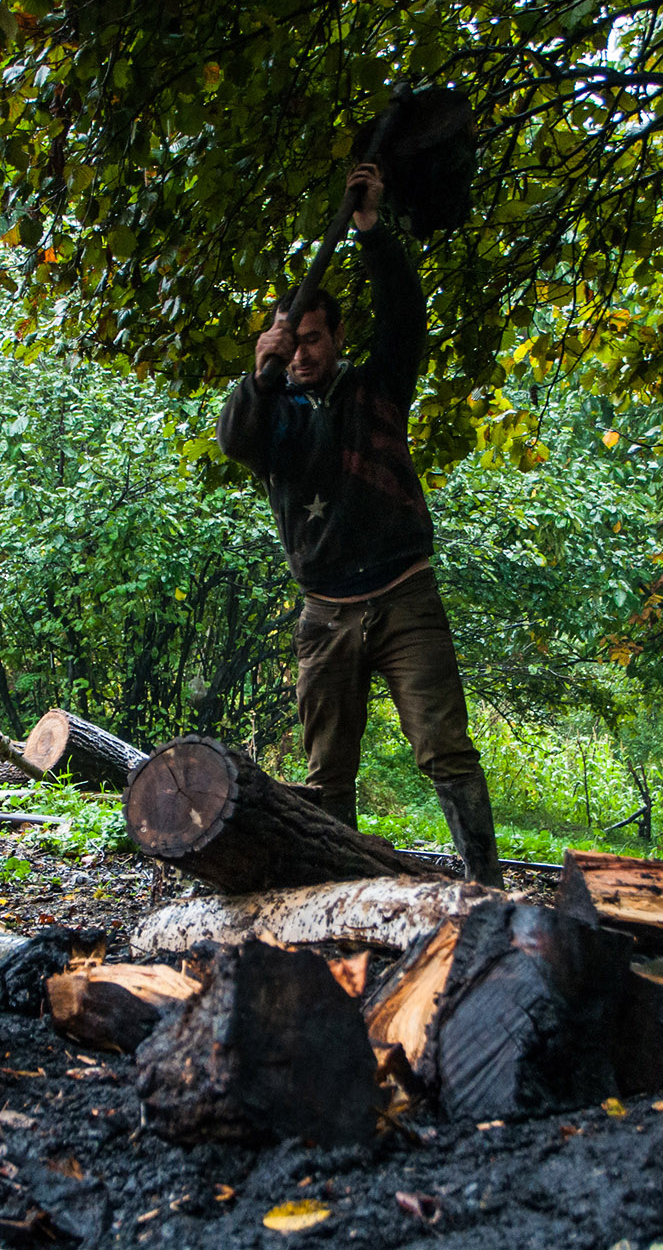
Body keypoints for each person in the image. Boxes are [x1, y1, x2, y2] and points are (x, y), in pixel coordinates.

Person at [216, 163, 502, 887]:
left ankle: (486, 885)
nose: (305, 353)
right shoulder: (268, 416)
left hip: (405, 594)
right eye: (293, 343)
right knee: (328, 770)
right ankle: (339, 892)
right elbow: (234, 438)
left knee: (445, 749)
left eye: (314, 339)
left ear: (335, 337)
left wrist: (372, 229)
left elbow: (406, 314)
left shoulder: (376, 388)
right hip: (325, 611)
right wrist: (261, 373)